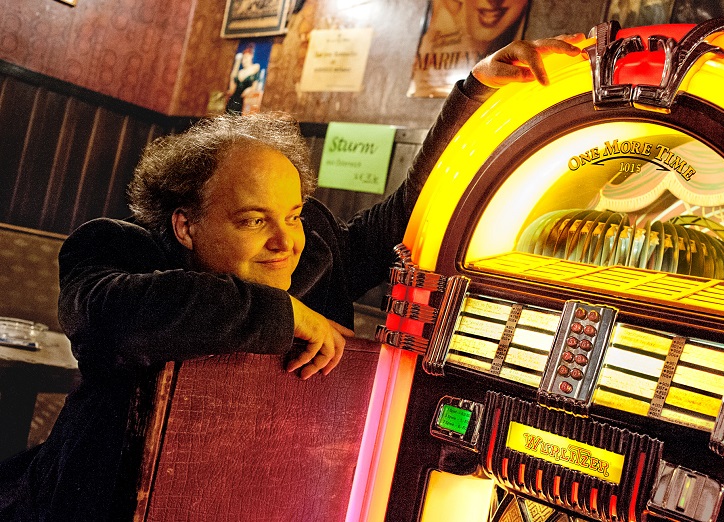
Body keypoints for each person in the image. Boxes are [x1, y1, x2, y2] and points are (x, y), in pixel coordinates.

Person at [0, 34, 585, 521]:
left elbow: (412, 212)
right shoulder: (115, 246)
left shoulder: (313, 258)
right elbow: (117, 318)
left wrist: (475, 91)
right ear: (185, 225)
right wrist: (282, 316)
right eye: (255, 220)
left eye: (295, 214)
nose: (286, 242)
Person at [225, 43, 262, 114]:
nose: (244, 61)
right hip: (233, 101)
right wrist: (237, 62)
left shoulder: (255, 67)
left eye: (246, 58)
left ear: (251, 57)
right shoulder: (240, 72)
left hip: (245, 103)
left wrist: (250, 89)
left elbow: (254, 86)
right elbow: (232, 88)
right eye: (243, 59)